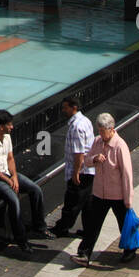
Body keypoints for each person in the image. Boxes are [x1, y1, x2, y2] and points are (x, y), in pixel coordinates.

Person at [0, 110, 54, 255]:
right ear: (1, 126)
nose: (12, 127)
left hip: (7, 174)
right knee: (13, 200)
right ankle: (21, 240)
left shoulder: (6, 137)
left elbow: (10, 159)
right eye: (9, 124)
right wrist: (8, 181)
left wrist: (14, 177)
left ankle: (40, 227)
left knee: (35, 189)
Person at [77, 113, 134, 265]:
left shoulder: (120, 146)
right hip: (99, 194)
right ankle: (84, 253)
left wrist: (128, 199)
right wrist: (94, 159)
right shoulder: (97, 142)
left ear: (111, 129)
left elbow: (127, 174)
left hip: (117, 195)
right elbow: (86, 161)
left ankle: (130, 250)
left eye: (103, 131)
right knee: (92, 225)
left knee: (124, 224)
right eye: (99, 131)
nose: (101, 134)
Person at [53, 96, 95, 237]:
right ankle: (89, 229)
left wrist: (76, 172)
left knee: (72, 202)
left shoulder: (76, 127)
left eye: (65, 107)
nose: (63, 110)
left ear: (74, 107)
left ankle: (62, 227)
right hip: (89, 170)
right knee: (87, 203)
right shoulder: (86, 121)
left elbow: (79, 153)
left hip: (80, 171)